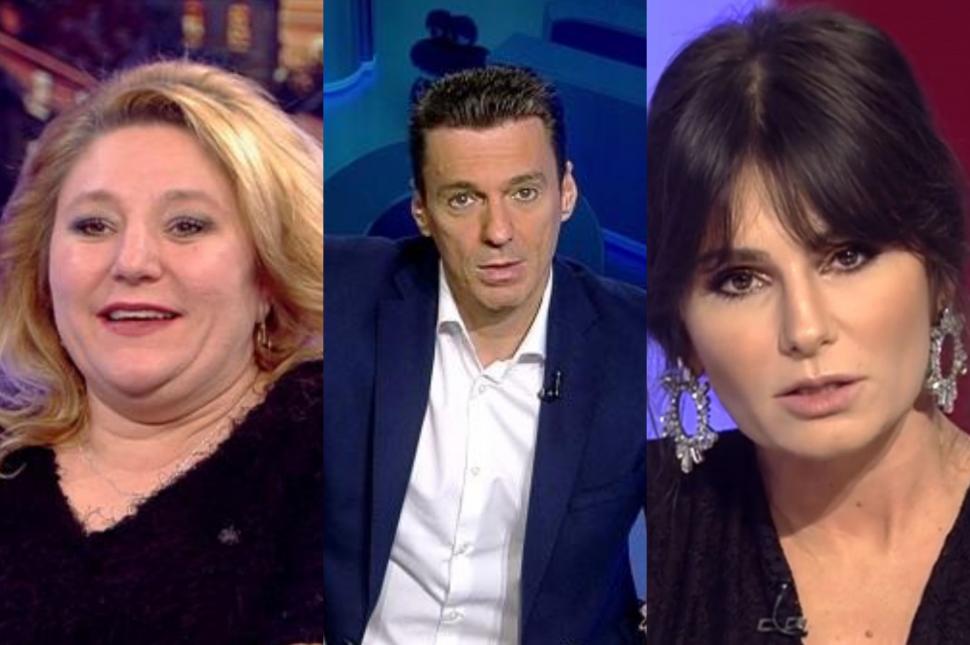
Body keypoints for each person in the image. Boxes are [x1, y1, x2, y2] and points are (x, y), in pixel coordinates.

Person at [646, 8, 970, 644]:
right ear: (682, 329)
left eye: (848, 256)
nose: (805, 329)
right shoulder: (626, 526)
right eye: (740, 279)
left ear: (937, 273)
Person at [0, 60, 323, 644]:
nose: (133, 263)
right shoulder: (11, 458)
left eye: (187, 225)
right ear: (42, 269)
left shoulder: (347, 454)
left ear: (268, 270)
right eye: (93, 226)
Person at [323, 66, 646, 644]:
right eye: (463, 199)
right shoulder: (343, 292)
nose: (498, 231)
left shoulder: (639, 344)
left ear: (566, 193)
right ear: (421, 210)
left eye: (524, 193)